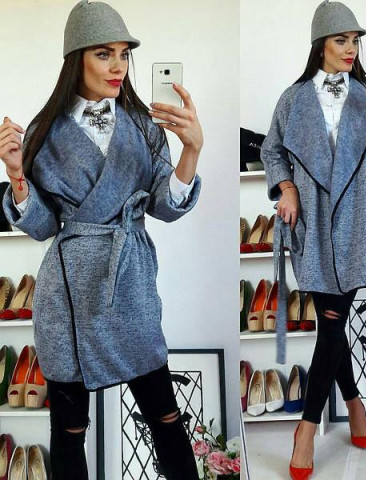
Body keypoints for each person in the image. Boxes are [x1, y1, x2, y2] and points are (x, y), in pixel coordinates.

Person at [0, 1, 203, 479]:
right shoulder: (44, 131)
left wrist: (191, 149)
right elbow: (44, 226)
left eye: (124, 54)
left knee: (165, 416)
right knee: (70, 430)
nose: (118, 66)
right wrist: (16, 176)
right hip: (69, 296)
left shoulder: (144, 124)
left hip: (129, 281)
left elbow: (164, 206)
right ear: (77, 59)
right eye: (104, 54)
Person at [261, 1, 366, 478]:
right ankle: (355, 406)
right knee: (333, 323)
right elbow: (272, 150)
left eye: (355, 41)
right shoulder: (292, 99)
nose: (351, 49)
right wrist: (287, 187)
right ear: (320, 44)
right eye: (341, 40)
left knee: (331, 322)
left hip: (359, 219)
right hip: (314, 223)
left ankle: (305, 429)